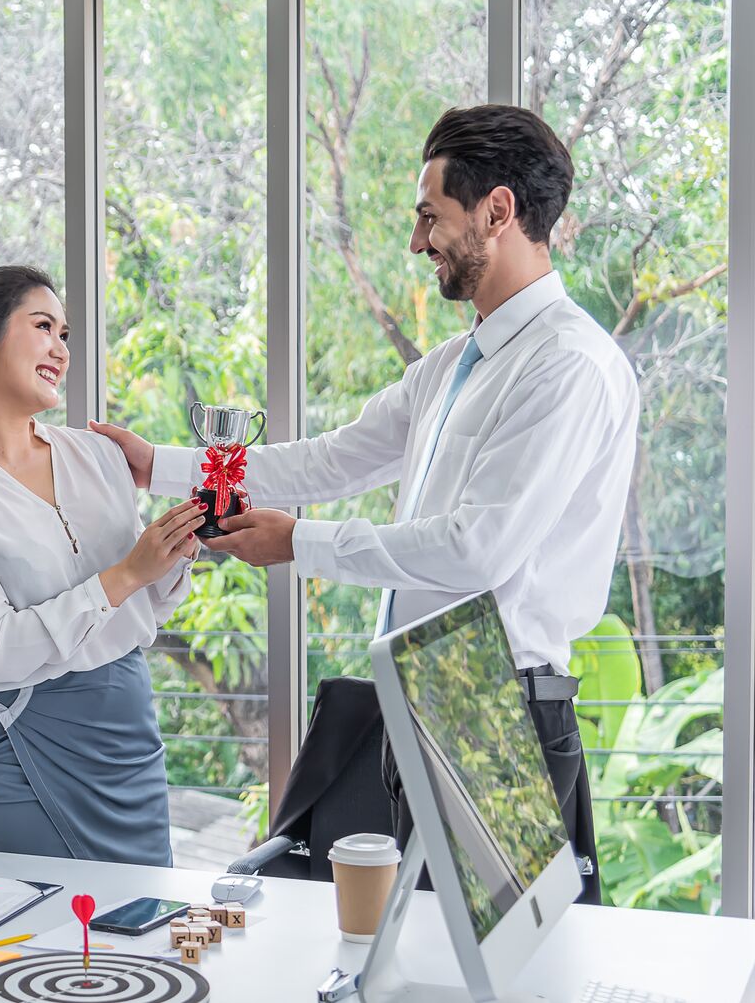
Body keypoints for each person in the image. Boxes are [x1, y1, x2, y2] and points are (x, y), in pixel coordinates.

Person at [91, 105, 638, 902]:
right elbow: (333, 457)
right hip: (426, 693)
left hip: (496, 708)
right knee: (417, 947)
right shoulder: (457, 361)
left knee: (512, 971)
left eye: (430, 217)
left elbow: (475, 549)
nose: (418, 242)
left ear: (498, 210)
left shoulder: (569, 366)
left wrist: (299, 545)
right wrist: (161, 467)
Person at [0, 256, 206, 867]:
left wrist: (176, 552)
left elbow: (149, 601)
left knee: (141, 943)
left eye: (64, 334)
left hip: (128, 736)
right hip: (20, 748)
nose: (61, 349)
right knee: (22, 949)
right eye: (43, 328)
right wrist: (125, 575)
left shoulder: (98, 454)